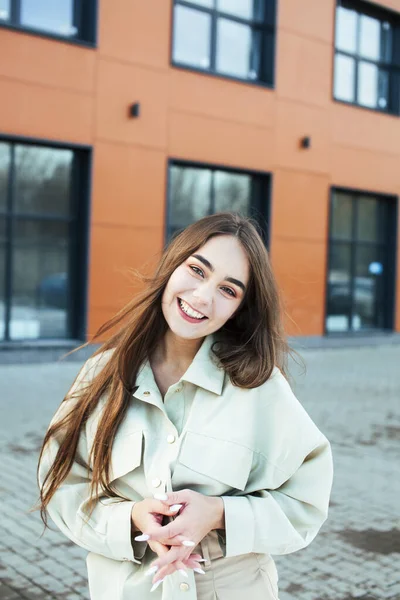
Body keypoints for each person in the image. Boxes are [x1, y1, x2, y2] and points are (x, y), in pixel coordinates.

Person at [36, 212, 334, 600]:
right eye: (197, 270)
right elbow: (61, 485)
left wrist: (220, 513)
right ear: (172, 265)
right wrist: (128, 518)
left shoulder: (259, 387)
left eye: (229, 290)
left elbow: (306, 503)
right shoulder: (101, 375)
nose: (202, 297)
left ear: (239, 308)